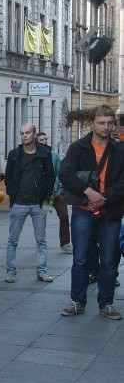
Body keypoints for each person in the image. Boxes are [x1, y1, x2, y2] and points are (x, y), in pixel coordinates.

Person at [59, 104, 124, 320]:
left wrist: (104, 197)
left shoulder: (120, 149)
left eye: (109, 123)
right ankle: (77, 301)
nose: (106, 127)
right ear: (93, 123)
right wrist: (88, 191)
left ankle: (106, 303)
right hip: (83, 210)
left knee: (108, 260)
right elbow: (65, 174)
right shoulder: (79, 147)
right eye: (101, 123)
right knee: (80, 259)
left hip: (110, 211)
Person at [4, 123, 56, 283]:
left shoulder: (44, 154)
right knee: (13, 240)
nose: (24, 136)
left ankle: (42, 271)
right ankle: (10, 272)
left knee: (41, 240)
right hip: (19, 203)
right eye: (22, 133)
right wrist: (12, 194)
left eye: (27, 133)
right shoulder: (15, 154)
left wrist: (46, 198)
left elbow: (50, 176)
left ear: (34, 135)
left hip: (39, 204)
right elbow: (9, 177)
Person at [37, 131, 72, 254]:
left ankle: (65, 243)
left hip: (56, 193)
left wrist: (55, 188)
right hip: (42, 195)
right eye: (41, 140)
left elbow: (59, 173)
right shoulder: (34, 157)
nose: (44, 141)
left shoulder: (54, 156)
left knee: (64, 216)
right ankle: (40, 243)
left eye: (45, 139)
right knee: (41, 219)